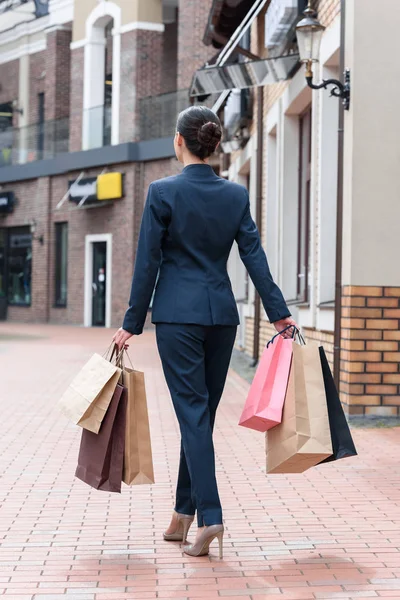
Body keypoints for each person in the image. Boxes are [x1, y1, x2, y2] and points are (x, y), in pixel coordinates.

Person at [113, 106, 298, 559]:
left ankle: (210, 515)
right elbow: (254, 256)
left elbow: (148, 263)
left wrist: (131, 323)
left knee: (193, 417)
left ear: (180, 142)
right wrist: (279, 313)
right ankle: (182, 512)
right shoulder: (235, 196)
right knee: (200, 418)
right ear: (213, 145)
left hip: (178, 317)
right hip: (222, 318)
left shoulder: (161, 192)